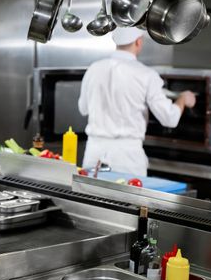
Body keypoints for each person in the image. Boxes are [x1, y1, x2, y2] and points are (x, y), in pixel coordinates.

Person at [78, 27, 196, 177]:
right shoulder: (147, 75)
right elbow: (170, 119)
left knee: (91, 198)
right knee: (128, 200)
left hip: (94, 155)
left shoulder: (93, 69)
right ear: (138, 42)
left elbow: (83, 109)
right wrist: (183, 99)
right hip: (127, 158)